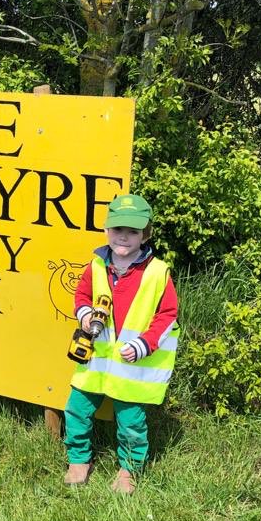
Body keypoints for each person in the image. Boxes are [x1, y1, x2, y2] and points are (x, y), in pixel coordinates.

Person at [63, 194, 180, 494]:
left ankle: (129, 469)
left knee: (130, 423)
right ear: (106, 231)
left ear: (146, 234)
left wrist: (145, 344)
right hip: (95, 361)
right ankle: (78, 460)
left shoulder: (157, 272)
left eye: (133, 231)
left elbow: (167, 315)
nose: (124, 237)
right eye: (117, 230)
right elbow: (81, 297)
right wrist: (85, 314)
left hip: (131, 366)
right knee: (76, 410)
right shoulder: (96, 265)